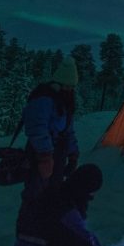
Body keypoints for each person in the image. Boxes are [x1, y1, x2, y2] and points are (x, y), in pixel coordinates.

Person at [22, 56, 80, 201]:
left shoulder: (64, 102)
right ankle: (29, 222)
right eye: (68, 86)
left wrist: (73, 154)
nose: (70, 89)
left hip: (57, 153)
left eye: (72, 87)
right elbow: (36, 127)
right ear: (59, 83)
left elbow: (68, 130)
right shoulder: (44, 99)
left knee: (52, 193)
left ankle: (47, 222)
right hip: (40, 154)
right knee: (35, 195)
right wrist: (45, 155)